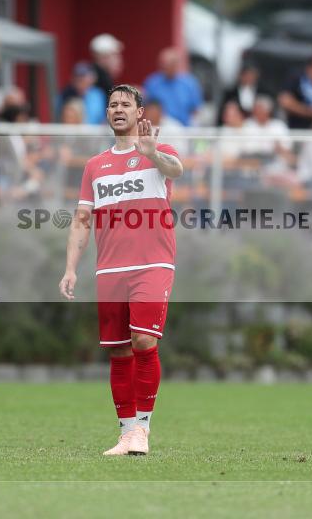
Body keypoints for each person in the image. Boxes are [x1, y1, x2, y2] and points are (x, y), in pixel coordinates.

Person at [59, 84, 183, 457]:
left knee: (144, 341)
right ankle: (126, 433)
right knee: (118, 352)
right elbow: (82, 220)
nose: (117, 109)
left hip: (152, 263)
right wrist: (70, 268)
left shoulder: (158, 151)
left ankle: (142, 429)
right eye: (112, 104)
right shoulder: (95, 166)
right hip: (110, 269)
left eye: (125, 104)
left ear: (139, 113)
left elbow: (176, 169)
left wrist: (152, 153)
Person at [143, 48, 203, 127]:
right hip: (160, 128)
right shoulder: (152, 83)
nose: (166, 66)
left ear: (177, 64)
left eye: (170, 64)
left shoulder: (189, 83)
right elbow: (146, 107)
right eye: (164, 64)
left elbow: (196, 110)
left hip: (184, 129)